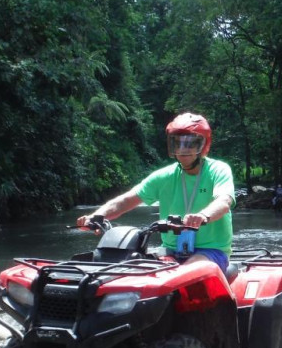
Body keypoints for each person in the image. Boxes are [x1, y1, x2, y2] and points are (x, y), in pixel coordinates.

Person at [76, 112, 236, 269]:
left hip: (211, 251)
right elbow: (125, 201)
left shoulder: (218, 170)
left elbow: (224, 201)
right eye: (177, 143)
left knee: (185, 274)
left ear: (203, 145)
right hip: (171, 250)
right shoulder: (164, 176)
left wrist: (203, 216)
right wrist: (96, 216)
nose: (183, 149)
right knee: (131, 267)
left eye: (190, 143)